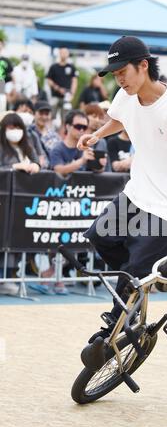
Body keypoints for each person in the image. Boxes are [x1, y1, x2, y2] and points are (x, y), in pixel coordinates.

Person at [77, 35, 167, 340]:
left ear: (144, 65)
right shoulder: (125, 95)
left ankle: (117, 318)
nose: (119, 79)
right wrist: (97, 135)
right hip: (138, 192)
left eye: (123, 71)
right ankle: (137, 288)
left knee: (136, 267)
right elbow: (117, 119)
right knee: (100, 237)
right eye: (114, 74)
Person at [0, 112, 40, 295]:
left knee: (17, 239)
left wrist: (35, 166)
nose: (14, 131)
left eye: (17, 127)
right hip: (4, 203)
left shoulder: (27, 147)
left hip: (21, 205)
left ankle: (10, 275)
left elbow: (38, 162)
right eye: (10, 127)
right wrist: (13, 168)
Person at [49, 109, 106, 175]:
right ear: (68, 126)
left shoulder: (87, 147)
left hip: (85, 184)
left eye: (84, 127)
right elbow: (59, 170)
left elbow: (96, 171)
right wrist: (82, 161)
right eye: (78, 127)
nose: (81, 130)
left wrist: (100, 165)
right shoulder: (57, 149)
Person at [14, 98, 48, 168]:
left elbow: (42, 157)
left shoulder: (32, 135)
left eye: (30, 113)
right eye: (24, 111)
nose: (26, 115)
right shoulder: (5, 134)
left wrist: (38, 165)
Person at [46, 48, 78, 122]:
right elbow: (49, 80)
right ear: (59, 54)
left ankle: (63, 132)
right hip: (55, 95)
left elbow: (74, 81)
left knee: (66, 118)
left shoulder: (71, 67)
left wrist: (72, 94)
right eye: (62, 53)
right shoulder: (53, 67)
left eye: (65, 53)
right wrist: (57, 88)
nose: (64, 54)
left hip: (67, 96)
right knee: (51, 116)